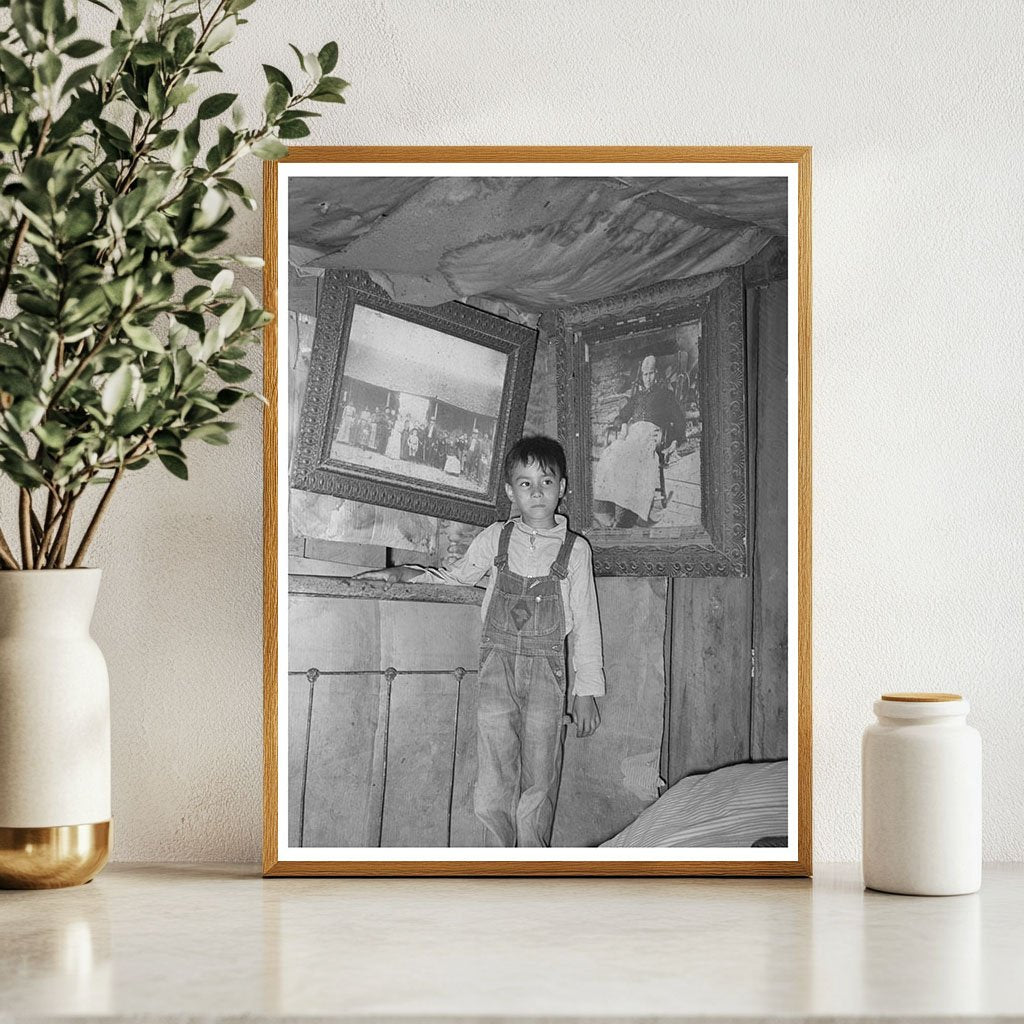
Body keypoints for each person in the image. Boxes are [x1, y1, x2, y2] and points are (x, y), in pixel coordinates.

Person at [359, 436, 604, 847]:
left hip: (548, 674)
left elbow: (587, 623)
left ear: (563, 487)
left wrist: (587, 691)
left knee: (541, 774)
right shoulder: (496, 538)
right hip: (496, 669)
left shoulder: (575, 550)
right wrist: (404, 574)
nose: (537, 491)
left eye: (546, 481)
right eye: (525, 483)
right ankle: (497, 858)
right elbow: (457, 578)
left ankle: (532, 861)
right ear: (510, 491)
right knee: (494, 771)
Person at [593, 354, 680, 527]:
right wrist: (623, 425)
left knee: (633, 461)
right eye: (645, 374)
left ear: (657, 373)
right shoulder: (637, 397)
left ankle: (627, 517)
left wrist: (674, 441)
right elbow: (622, 415)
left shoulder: (666, 395)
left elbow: (678, 420)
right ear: (641, 376)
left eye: (651, 373)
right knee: (611, 454)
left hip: (651, 436)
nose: (648, 378)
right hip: (633, 435)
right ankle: (608, 509)